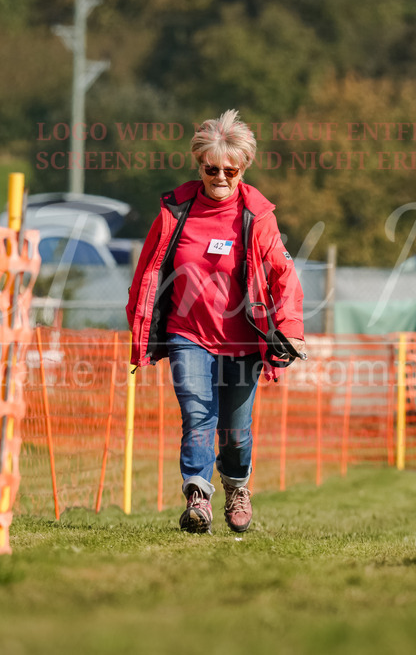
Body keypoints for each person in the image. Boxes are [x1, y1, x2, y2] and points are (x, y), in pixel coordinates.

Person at [126, 110, 305, 534]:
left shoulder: (258, 217)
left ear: (243, 168)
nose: (220, 176)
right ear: (199, 165)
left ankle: (237, 486)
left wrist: (291, 329)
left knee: (236, 433)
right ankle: (198, 497)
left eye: (230, 169)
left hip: (245, 342)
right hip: (188, 334)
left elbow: (285, 276)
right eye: (212, 168)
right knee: (197, 414)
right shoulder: (175, 212)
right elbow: (147, 274)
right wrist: (141, 328)